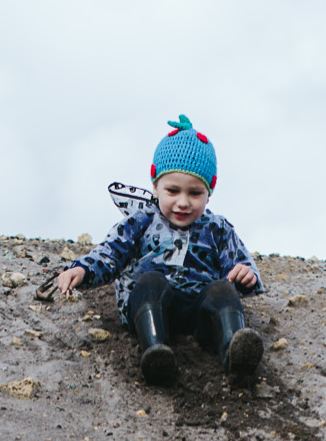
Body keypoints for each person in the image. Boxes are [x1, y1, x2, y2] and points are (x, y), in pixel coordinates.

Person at [54, 116, 265, 385]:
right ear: (155, 186)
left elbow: (240, 265)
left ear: (209, 191)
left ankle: (234, 352)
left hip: (198, 312)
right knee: (149, 281)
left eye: (195, 193)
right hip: (153, 306)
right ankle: (156, 353)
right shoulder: (142, 220)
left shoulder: (217, 227)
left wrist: (246, 276)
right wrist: (82, 269)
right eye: (173, 190)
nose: (183, 202)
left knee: (222, 289)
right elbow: (110, 252)